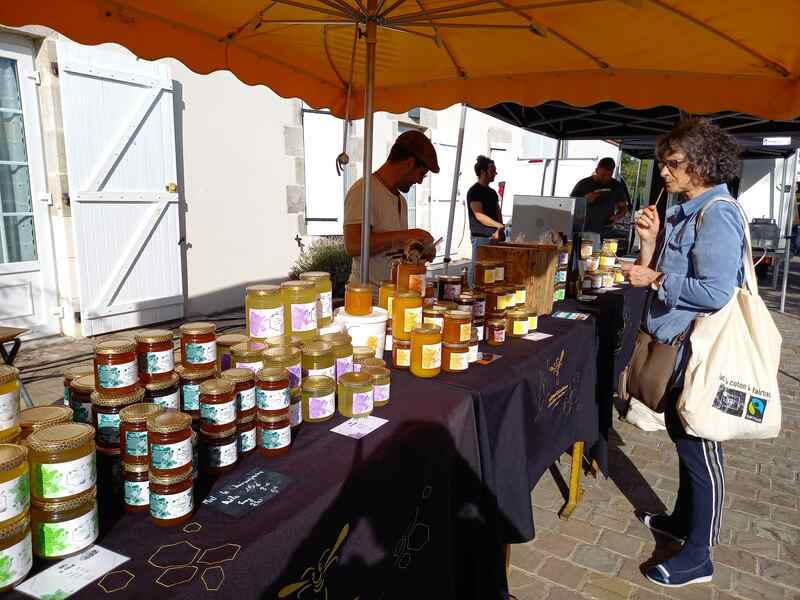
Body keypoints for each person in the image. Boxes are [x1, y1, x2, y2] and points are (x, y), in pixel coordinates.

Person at [619, 118, 744, 588]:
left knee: (700, 446)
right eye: (663, 164)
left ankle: (700, 554)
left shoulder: (718, 213)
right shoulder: (684, 209)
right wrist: (649, 245)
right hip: (672, 344)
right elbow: (661, 269)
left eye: (673, 164)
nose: (664, 173)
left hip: (697, 349)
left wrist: (654, 280)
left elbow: (715, 291)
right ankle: (682, 521)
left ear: (701, 164)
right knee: (681, 434)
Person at [343, 130, 439, 287]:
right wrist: (407, 235)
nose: (420, 181)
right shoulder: (364, 190)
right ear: (409, 163)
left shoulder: (401, 200)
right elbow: (352, 244)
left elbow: (394, 253)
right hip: (367, 299)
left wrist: (419, 251)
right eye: (421, 173)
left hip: (393, 296)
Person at [570, 157, 630, 243]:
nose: (605, 178)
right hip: (584, 231)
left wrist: (616, 217)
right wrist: (585, 200)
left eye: (608, 175)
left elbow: (623, 208)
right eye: (602, 175)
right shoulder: (583, 184)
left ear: (612, 172)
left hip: (605, 231)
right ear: (597, 170)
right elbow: (570, 205)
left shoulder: (616, 186)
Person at [467, 155, 505, 285]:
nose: (495, 173)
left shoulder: (492, 192)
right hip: (481, 237)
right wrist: (498, 225)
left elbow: (497, 211)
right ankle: (472, 292)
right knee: (477, 268)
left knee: (492, 270)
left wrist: (501, 228)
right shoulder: (475, 191)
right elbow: (479, 215)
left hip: (494, 236)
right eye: (492, 170)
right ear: (483, 172)